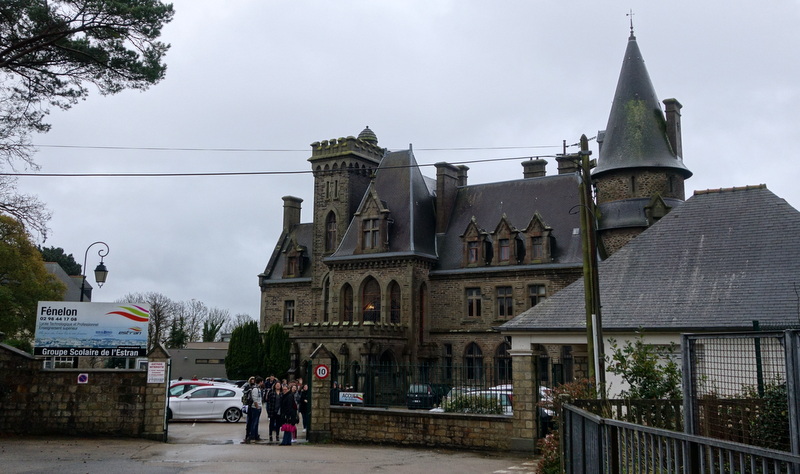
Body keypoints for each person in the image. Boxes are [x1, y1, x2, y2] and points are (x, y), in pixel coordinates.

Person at [244, 377, 264, 444]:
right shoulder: (255, 389)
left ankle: (255, 435)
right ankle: (252, 436)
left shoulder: (257, 388)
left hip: (257, 407)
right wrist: (257, 406)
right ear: (260, 382)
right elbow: (255, 399)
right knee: (254, 422)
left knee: (256, 422)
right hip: (255, 408)